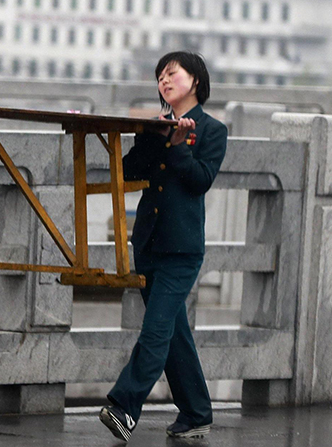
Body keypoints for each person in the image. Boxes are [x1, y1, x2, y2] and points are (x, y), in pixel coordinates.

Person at [99, 51, 227, 442]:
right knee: (173, 333)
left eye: (172, 73)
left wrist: (178, 144)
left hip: (182, 250)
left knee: (155, 331)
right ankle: (196, 413)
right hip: (149, 244)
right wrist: (151, 139)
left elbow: (200, 180)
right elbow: (129, 172)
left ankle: (124, 407)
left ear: (196, 81)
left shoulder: (213, 130)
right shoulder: (158, 128)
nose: (164, 81)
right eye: (159, 77)